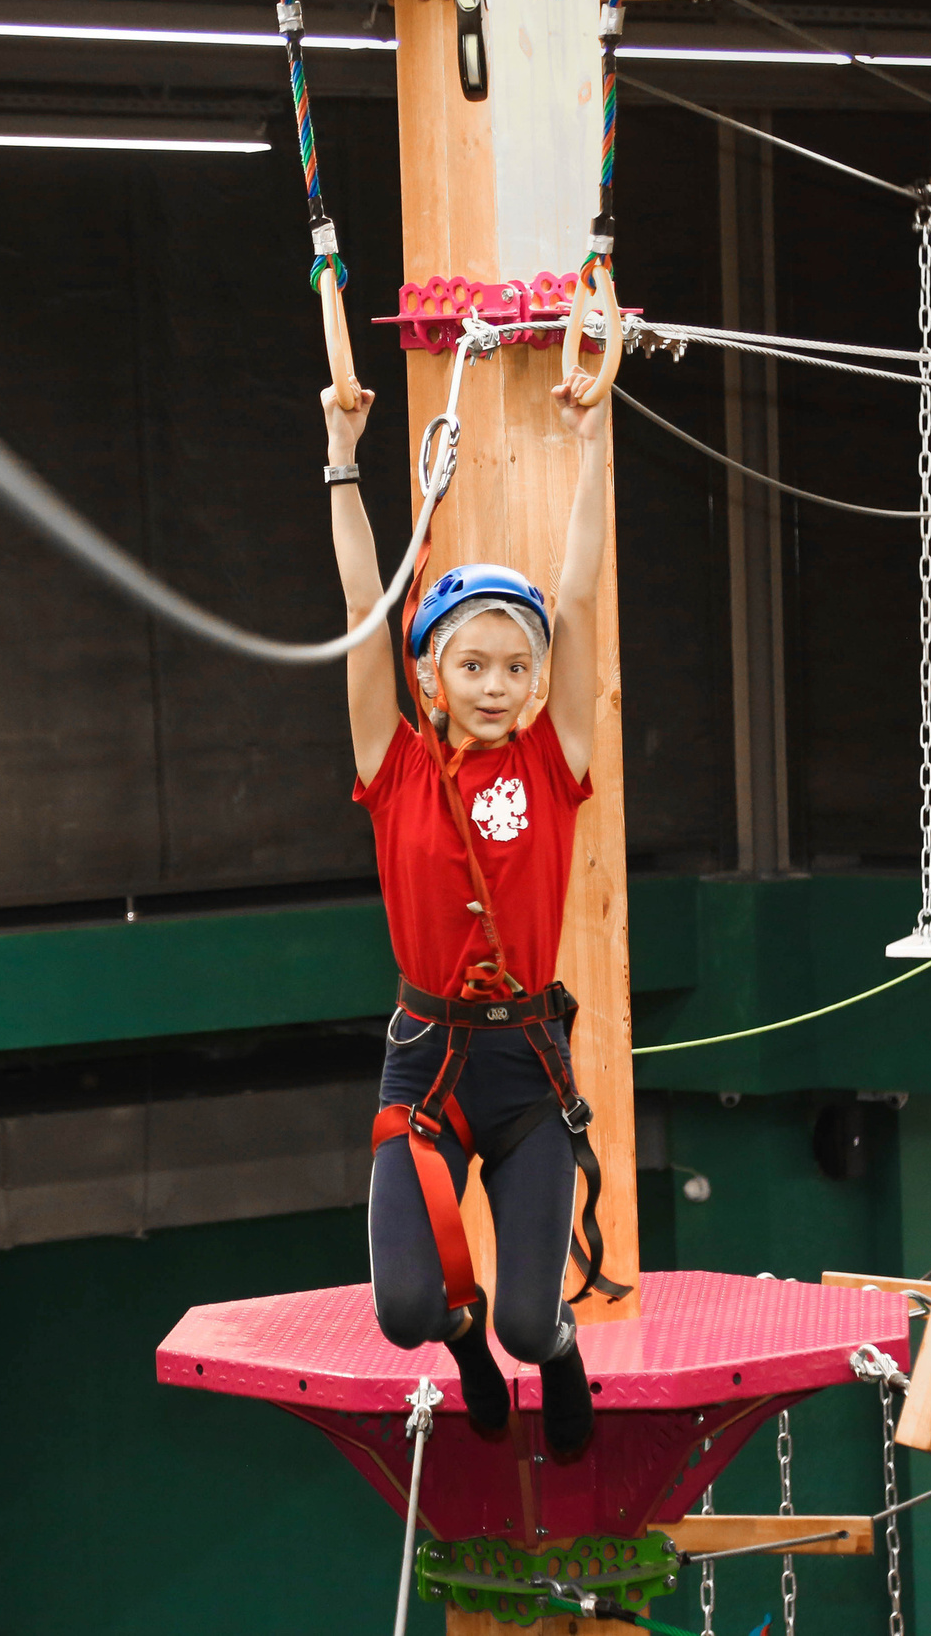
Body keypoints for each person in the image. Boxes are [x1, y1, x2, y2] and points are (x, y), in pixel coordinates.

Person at [323, 369, 619, 1461]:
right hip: (426, 1061)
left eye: (516, 667)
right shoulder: (394, 765)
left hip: (526, 1065)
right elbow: (362, 609)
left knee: (533, 1323)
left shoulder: (552, 760)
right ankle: (464, 1342)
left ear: (538, 682)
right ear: (431, 675)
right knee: (408, 1309)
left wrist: (592, 442)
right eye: (473, 664)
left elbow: (577, 598)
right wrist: (342, 457)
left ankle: (551, 1348)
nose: (496, 685)